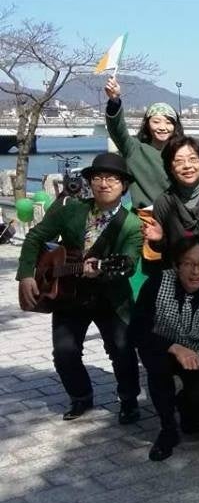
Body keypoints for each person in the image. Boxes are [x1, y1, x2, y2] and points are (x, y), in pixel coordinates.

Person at [16, 153, 143, 423]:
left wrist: (102, 271)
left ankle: (129, 400)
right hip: (68, 294)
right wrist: (26, 274)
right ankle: (81, 396)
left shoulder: (131, 224)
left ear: (124, 185)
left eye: (112, 178)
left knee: (121, 349)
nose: (104, 183)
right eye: (98, 177)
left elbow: (129, 263)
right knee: (64, 351)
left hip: (111, 297)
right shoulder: (71, 209)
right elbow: (36, 236)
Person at [131, 236, 199, 461]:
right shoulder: (157, 283)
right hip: (162, 347)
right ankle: (168, 430)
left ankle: (188, 406)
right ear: (176, 265)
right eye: (188, 263)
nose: (195, 271)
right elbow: (137, 330)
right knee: (158, 370)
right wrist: (173, 347)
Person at [104, 77, 183, 208]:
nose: (163, 127)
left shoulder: (182, 153)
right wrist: (114, 101)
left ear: (175, 127)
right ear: (147, 125)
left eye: (168, 122)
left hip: (178, 217)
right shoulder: (135, 149)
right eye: (156, 122)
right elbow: (117, 130)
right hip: (146, 219)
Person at [143, 136, 199, 264]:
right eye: (179, 161)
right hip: (179, 273)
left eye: (193, 159)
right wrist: (158, 239)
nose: (187, 166)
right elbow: (161, 249)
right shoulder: (163, 202)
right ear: (170, 168)